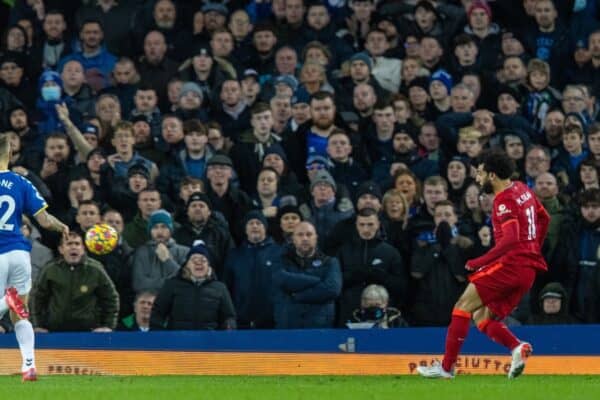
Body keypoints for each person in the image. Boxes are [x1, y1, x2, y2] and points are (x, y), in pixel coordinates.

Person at [417, 149, 550, 380]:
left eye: (479, 173)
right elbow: (544, 218)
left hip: (511, 264)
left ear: (491, 175)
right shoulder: (522, 189)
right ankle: (517, 347)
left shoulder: (503, 200)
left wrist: (479, 261)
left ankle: (446, 368)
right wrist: (534, 248)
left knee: (461, 306)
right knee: (482, 318)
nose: (477, 178)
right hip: (529, 269)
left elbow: (510, 239)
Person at [0, 134, 70, 381]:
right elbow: (43, 220)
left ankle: (7, 302)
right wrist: (62, 226)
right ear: (8, 157)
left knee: (8, 308)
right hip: (19, 252)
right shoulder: (21, 182)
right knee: (21, 314)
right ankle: (29, 365)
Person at [31, 232, 119, 334]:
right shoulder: (50, 269)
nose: (74, 247)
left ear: (83, 249)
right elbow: (36, 298)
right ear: (61, 249)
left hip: (89, 332)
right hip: (55, 331)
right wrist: (37, 325)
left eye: (77, 244)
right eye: (69, 244)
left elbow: (111, 298)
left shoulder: (95, 269)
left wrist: (108, 326)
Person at [150, 240, 236, 330]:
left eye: (203, 260)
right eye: (194, 259)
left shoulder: (220, 288)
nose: (199, 263)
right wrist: (161, 338)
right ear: (187, 265)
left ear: (209, 266)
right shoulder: (172, 285)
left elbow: (229, 316)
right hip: (178, 340)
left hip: (209, 341)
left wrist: (229, 325)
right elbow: (157, 314)